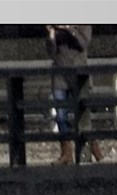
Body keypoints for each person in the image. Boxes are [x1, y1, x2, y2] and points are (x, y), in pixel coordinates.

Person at [45, 24, 93, 163]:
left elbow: (83, 44)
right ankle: (66, 152)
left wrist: (69, 28)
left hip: (79, 75)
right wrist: (51, 36)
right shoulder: (55, 27)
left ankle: (90, 144)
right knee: (60, 116)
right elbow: (51, 53)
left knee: (81, 114)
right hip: (60, 76)